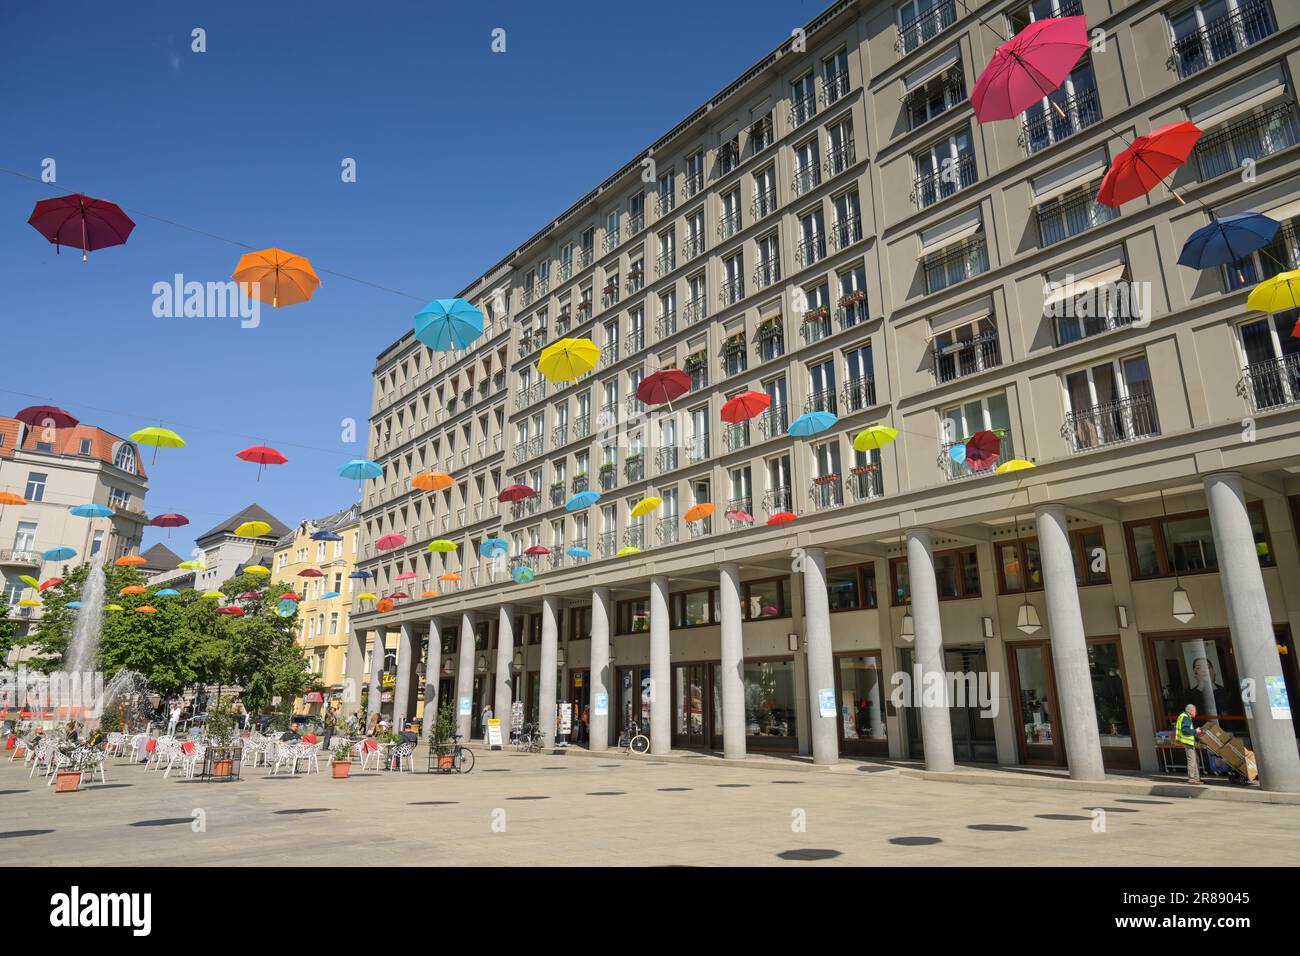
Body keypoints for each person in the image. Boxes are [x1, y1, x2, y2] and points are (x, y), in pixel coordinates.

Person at [1175, 703, 1203, 785]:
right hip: (1188, 743)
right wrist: (1195, 731)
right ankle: (1192, 779)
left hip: (1188, 742)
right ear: (1191, 711)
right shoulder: (1186, 718)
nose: (1196, 712)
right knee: (1192, 761)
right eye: (1195, 711)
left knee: (1195, 760)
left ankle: (1196, 778)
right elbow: (1185, 730)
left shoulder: (1183, 716)